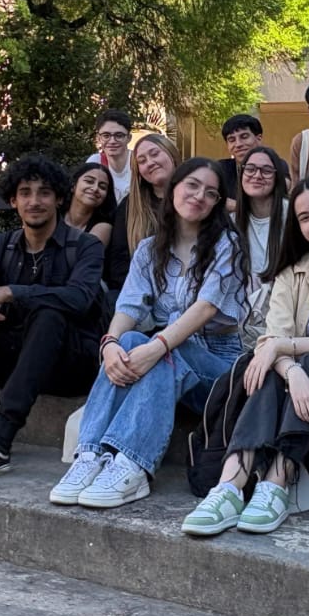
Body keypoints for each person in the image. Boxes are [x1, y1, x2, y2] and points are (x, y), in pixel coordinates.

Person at [182, 177, 309, 537]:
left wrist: (286, 350)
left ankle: (277, 482)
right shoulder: (290, 274)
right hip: (298, 392)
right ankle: (230, 486)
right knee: (265, 364)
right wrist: (291, 368)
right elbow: (271, 338)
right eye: (305, 217)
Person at [51, 158, 247, 510]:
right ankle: (91, 454)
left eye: (211, 193)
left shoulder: (227, 245)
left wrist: (157, 345)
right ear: (173, 189)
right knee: (128, 341)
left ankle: (133, 464)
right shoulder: (148, 249)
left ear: (218, 203)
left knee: (163, 349)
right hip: (169, 355)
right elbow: (128, 307)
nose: (199, 196)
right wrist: (109, 345)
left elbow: (204, 309)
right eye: (192, 186)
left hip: (220, 370)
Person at [0, 156, 105, 482]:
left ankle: (0, 439)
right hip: (18, 362)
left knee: (50, 313)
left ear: (58, 199)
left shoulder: (85, 246)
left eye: (44, 193)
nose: (34, 201)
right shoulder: (4, 245)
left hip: (70, 364)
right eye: (25, 193)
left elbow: (79, 298)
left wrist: (6, 292)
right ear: (13, 200)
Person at [103, 132, 180, 291]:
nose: (150, 163)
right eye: (142, 161)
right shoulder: (130, 206)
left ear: (172, 153)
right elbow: (118, 263)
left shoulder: (196, 196)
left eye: (155, 154)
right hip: (142, 294)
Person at [234, 145, 288, 343]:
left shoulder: (292, 215)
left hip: (282, 314)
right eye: (250, 169)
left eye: (266, 170)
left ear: (277, 177)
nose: (257, 175)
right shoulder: (231, 223)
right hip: (242, 318)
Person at [217, 113, 288, 198]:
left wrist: (235, 208)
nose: (238, 144)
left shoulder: (275, 164)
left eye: (244, 137)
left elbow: (279, 195)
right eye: (232, 140)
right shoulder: (220, 168)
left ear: (259, 138)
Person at [87, 109, 135, 204]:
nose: (112, 141)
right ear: (98, 138)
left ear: (129, 138)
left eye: (119, 135)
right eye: (106, 135)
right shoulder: (95, 162)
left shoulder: (139, 161)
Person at [64, 162, 116, 248]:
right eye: (89, 181)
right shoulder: (53, 215)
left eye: (102, 187)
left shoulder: (104, 228)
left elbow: (88, 257)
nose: (95, 188)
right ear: (73, 185)